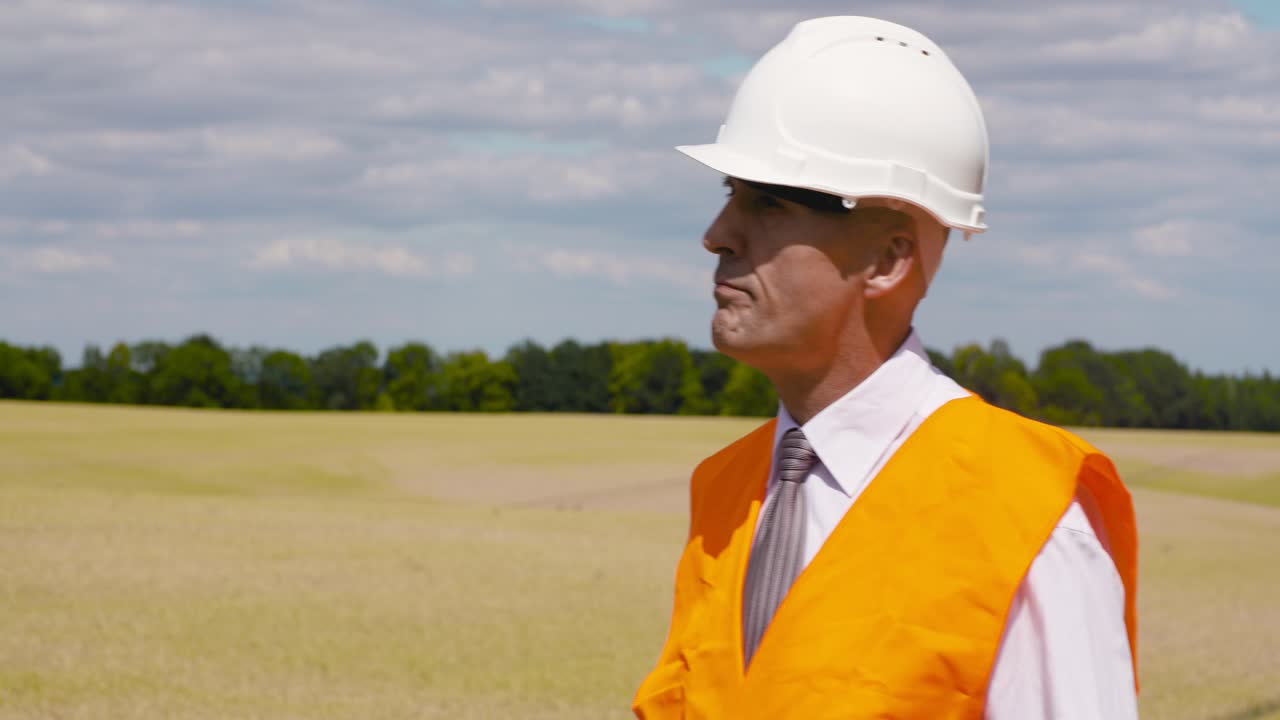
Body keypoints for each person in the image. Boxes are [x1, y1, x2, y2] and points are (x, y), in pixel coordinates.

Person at [632, 16, 1138, 720]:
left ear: (888, 260)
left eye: (769, 201)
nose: (718, 235)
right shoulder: (726, 490)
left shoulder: (1025, 514)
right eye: (730, 194)